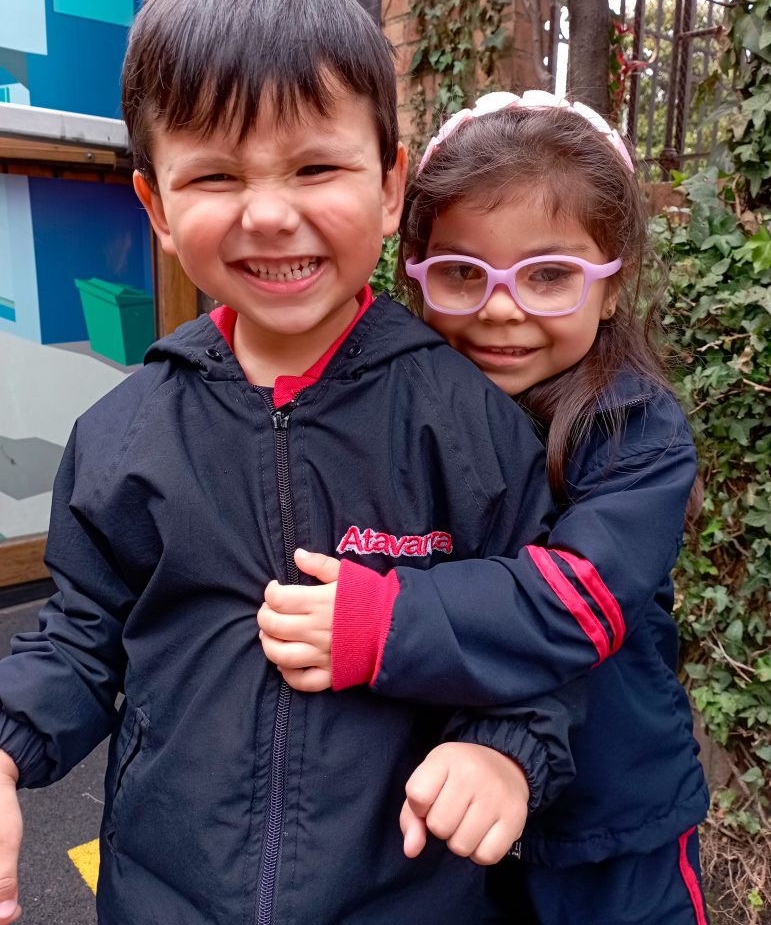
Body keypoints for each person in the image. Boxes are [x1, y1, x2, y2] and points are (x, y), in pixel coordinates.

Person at [0, 0, 587, 925]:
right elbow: (79, 636)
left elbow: (536, 632)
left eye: (315, 167)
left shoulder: (467, 425)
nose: (270, 213)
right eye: (216, 175)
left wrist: (506, 751)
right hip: (162, 896)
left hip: (408, 898)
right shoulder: (121, 433)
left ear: (390, 186)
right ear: (156, 208)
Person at [257, 91, 711, 925]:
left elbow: (579, 598)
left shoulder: (635, 430)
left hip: (615, 829)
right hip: (453, 819)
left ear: (611, 286)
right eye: (463, 273)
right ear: (416, 272)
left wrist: (382, 623)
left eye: (549, 275)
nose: (501, 307)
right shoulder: (403, 414)